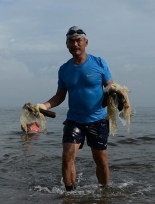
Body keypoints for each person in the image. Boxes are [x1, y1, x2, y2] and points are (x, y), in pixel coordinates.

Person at [36, 26, 114, 191]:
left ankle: (105, 193)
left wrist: (117, 95)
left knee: (101, 160)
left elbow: (110, 88)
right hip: (74, 120)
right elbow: (60, 96)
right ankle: (69, 196)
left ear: (86, 42)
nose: (75, 44)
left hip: (98, 119)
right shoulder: (64, 69)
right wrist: (43, 106)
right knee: (67, 157)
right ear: (67, 45)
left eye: (78, 40)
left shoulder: (99, 63)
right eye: (71, 41)